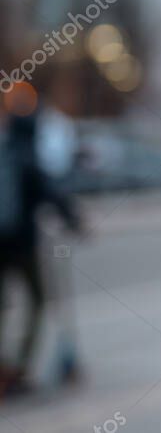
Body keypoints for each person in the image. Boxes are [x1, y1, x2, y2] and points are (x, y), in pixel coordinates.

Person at [0, 101, 83, 396]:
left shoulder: (7, 152)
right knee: (38, 300)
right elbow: (51, 193)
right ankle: (17, 367)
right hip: (22, 244)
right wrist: (76, 223)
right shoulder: (26, 157)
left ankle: (5, 365)